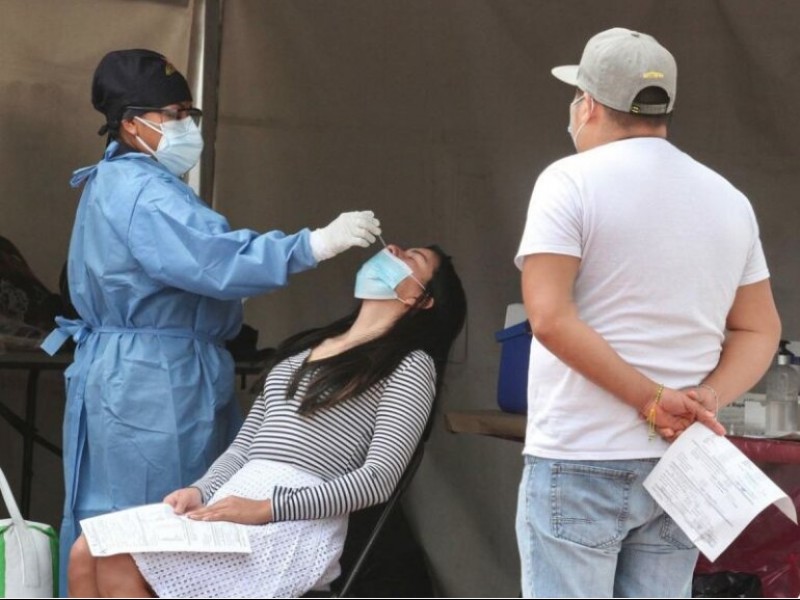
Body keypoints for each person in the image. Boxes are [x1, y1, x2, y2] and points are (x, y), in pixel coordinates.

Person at [40, 48, 382, 594]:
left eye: (189, 114)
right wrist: (312, 245)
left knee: (117, 525)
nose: (186, 125)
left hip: (136, 369)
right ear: (131, 123)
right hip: (155, 379)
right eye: (174, 114)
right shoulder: (143, 189)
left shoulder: (119, 180)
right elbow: (215, 259)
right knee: (156, 530)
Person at [514, 28, 781, 598]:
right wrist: (707, 396)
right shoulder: (729, 198)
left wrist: (649, 399)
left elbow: (549, 318)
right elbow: (760, 328)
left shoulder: (567, 181)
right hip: (681, 460)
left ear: (587, 104)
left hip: (582, 453)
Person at [66, 243, 467, 598]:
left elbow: (378, 479)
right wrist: (200, 489)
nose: (393, 249)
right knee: (86, 550)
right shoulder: (305, 350)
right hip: (233, 501)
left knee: (117, 560)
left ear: (422, 299)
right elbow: (244, 448)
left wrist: (265, 509)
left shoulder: (410, 365)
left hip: (293, 523)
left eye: (413, 257)